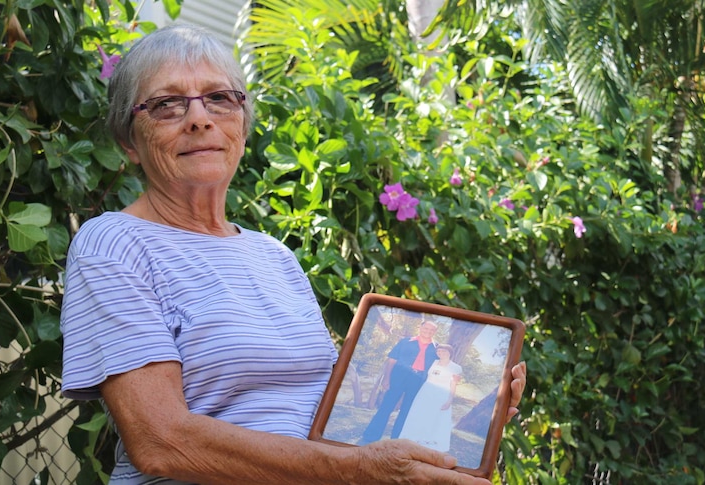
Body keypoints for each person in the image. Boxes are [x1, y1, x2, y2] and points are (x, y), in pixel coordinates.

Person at [60, 23, 527, 485]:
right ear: (128, 142)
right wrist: (357, 473)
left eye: (220, 99)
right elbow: (161, 441)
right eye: (166, 105)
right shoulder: (114, 243)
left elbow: (329, 419)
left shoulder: (274, 256)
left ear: (241, 124)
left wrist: (466, 403)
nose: (200, 119)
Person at [360, 320, 440, 444]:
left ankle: (397, 439)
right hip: (399, 376)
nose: (428, 331)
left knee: (407, 410)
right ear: (420, 328)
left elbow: (439, 367)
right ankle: (371, 435)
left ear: (435, 332)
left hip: (419, 380)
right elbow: (391, 360)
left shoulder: (436, 348)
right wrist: (386, 378)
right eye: (426, 328)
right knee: (386, 406)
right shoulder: (405, 342)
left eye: (431, 330)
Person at [398, 344, 462, 452]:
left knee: (435, 418)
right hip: (425, 392)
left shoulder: (456, 368)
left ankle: (428, 442)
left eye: (444, 351)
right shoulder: (433, 363)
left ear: (450, 353)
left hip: (441, 394)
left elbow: (453, 384)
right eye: (439, 351)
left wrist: (449, 400)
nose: (441, 353)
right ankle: (412, 439)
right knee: (420, 415)